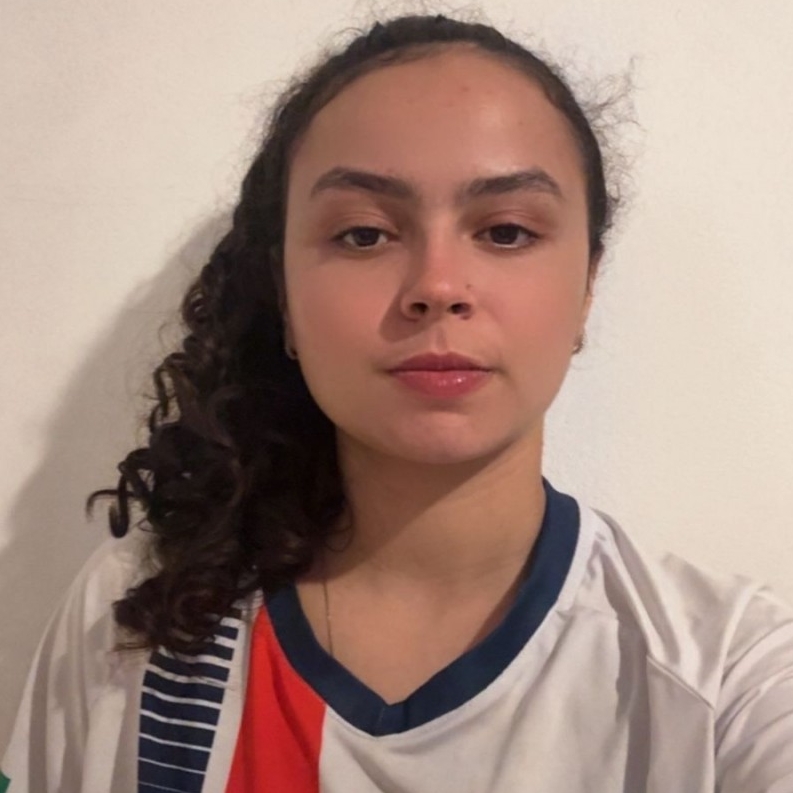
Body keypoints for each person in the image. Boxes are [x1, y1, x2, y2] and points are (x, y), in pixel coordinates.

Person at [2, 13, 793, 793]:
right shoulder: (139, 617)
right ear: (284, 294)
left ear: (586, 285)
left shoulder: (729, 674)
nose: (437, 286)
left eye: (506, 231)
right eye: (363, 234)